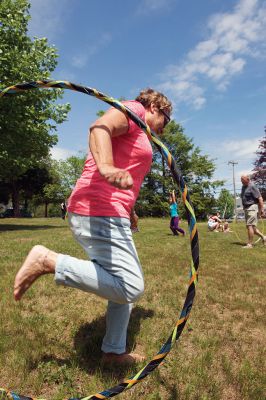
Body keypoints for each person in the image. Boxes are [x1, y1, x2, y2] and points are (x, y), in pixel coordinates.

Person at [13, 88, 172, 365]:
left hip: (108, 210)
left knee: (122, 280)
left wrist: (130, 209)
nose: (165, 129)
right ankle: (49, 261)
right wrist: (107, 167)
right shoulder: (134, 109)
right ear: (157, 107)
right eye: (166, 120)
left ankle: (112, 351)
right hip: (99, 209)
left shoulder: (139, 131)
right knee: (130, 287)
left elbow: (128, 173)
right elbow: (100, 128)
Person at [240, 175, 266, 248]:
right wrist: (243, 206)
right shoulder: (243, 187)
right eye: (241, 181)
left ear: (248, 180)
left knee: (249, 226)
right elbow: (243, 198)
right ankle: (264, 237)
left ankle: (250, 244)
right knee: (253, 228)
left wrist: (262, 210)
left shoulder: (252, 186)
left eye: (243, 181)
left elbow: (260, 199)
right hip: (246, 208)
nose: (242, 182)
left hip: (252, 207)